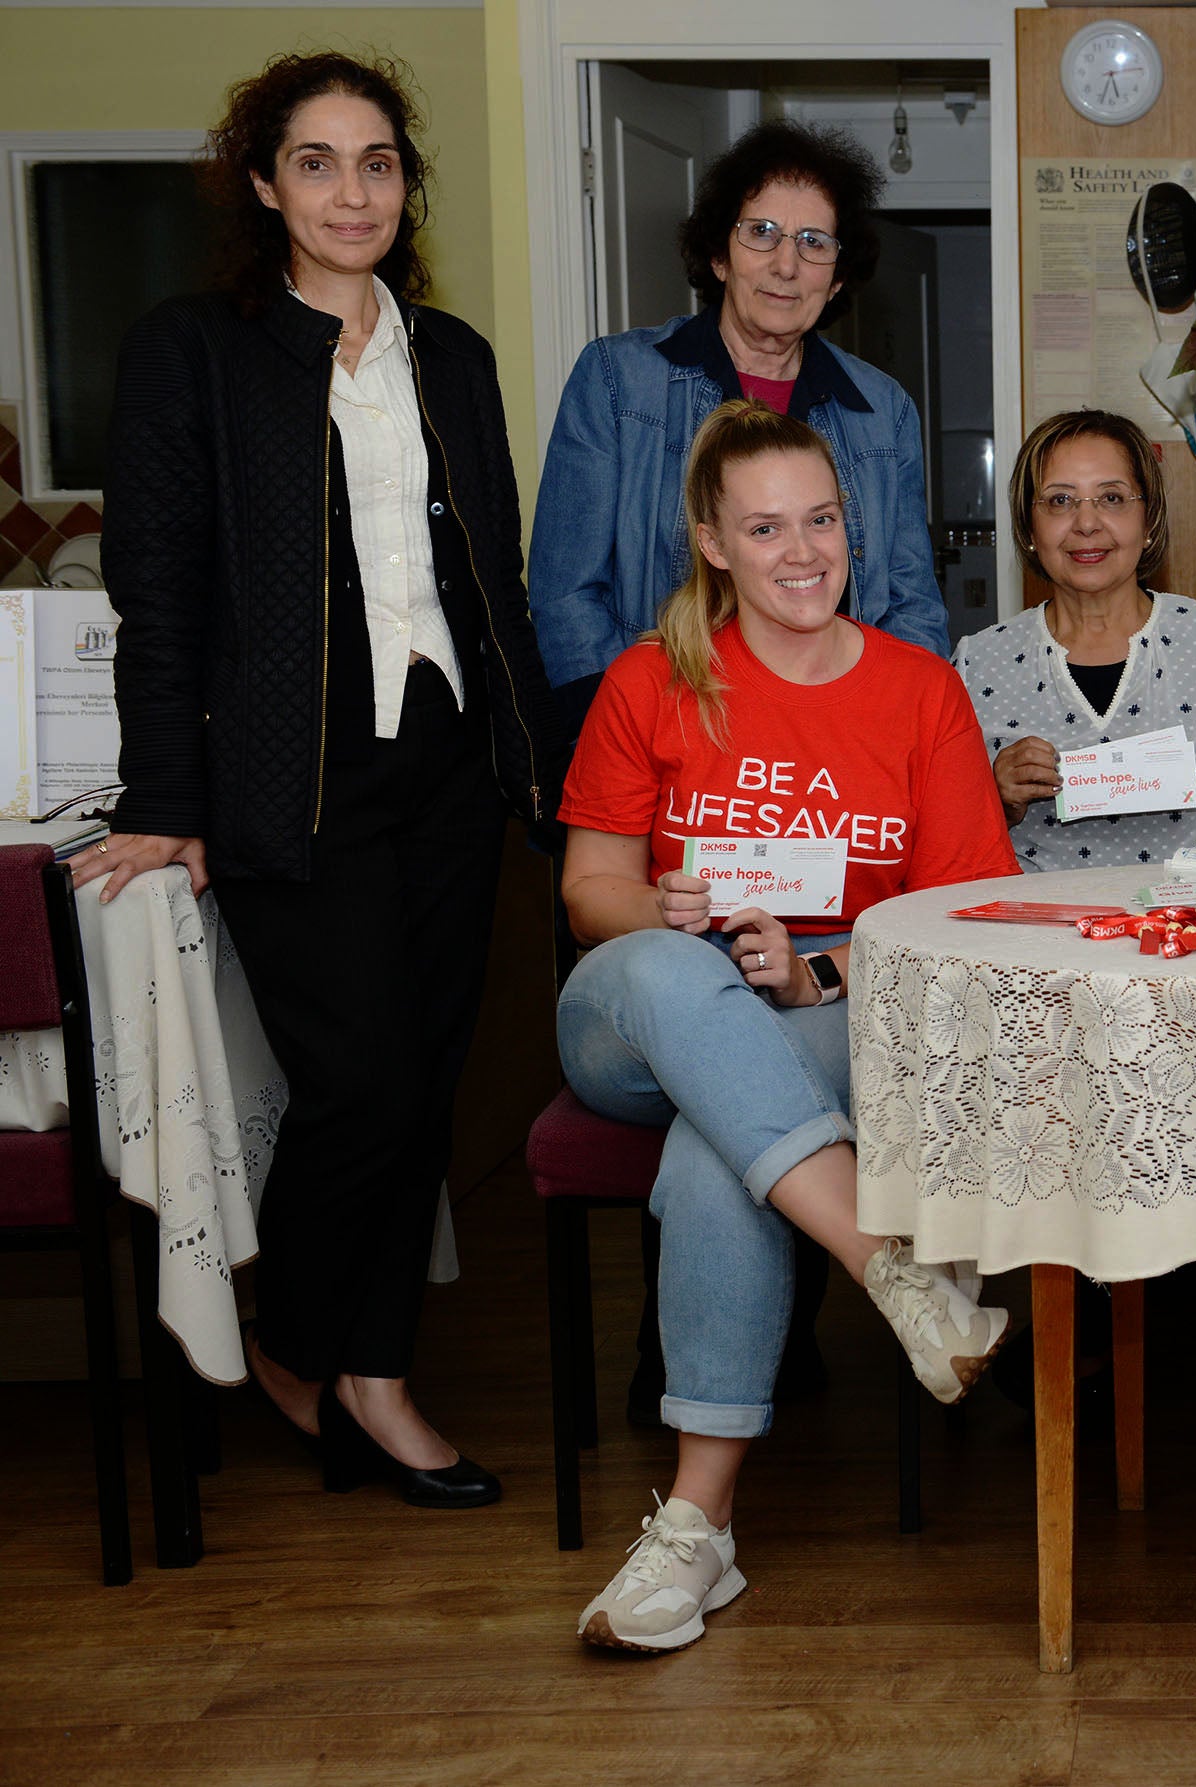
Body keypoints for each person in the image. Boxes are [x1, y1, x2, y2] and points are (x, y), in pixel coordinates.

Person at [79, 52, 559, 1508]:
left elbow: (496, 585)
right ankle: (316, 1350)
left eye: (378, 162)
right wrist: (166, 798)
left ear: (406, 185)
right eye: (318, 161)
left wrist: (540, 769)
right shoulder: (195, 351)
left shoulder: (454, 356)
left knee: (421, 1093)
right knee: (363, 1085)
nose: (352, 190)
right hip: (289, 778)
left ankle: (357, 1362)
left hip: (451, 765)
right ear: (264, 181)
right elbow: (154, 592)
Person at [558, 400, 1019, 1653]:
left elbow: (963, 914)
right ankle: (888, 1261)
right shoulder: (650, 679)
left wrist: (819, 966)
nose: (802, 549)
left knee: (726, 1147)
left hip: (818, 1022)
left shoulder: (922, 690)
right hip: (632, 1020)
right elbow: (586, 889)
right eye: (767, 527)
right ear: (713, 542)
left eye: (821, 519)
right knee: (667, 972)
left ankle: (695, 1530)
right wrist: (657, 905)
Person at [530, 120, 948, 725]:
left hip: (832, 742)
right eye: (762, 233)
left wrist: (880, 733)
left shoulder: (883, 410)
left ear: (834, 280)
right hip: (660, 733)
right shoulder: (618, 380)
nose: (786, 264)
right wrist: (636, 736)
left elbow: (913, 608)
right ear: (719, 255)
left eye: (813, 241)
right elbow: (566, 596)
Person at [954, 409, 1196, 869]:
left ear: (1148, 521)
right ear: (1030, 530)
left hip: (1189, 926)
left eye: (1112, 497)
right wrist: (997, 800)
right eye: (1059, 501)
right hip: (1033, 932)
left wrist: (1185, 921)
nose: (1086, 523)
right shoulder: (977, 663)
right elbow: (944, 845)